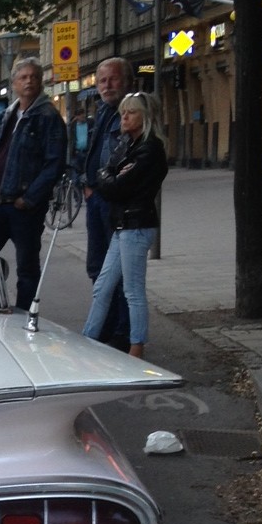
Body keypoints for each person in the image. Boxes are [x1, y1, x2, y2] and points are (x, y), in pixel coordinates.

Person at [82, 91, 168, 359]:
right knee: (103, 286)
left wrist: (110, 177)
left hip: (137, 224)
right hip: (124, 223)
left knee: (132, 290)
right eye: (122, 112)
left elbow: (116, 185)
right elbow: (105, 173)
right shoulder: (128, 145)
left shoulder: (149, 149)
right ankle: (87, 340)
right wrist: (110, 176)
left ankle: (136, 347)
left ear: (146, 117)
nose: (124, 117)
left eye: (131, 112)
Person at [0, 57, 66, 310]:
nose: (29, 81)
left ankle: (25, 316)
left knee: (27, 267)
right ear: (14, 83)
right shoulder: (6, 115)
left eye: (34, 77)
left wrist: (29, 198)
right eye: (23, 77)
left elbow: (55, 164)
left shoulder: (47, 116)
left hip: (22, 207)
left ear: (40, 82)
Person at [80, 57, 131, 345]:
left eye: (113, 79)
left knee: (119, 270)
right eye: (102, 80)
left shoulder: (130, 112)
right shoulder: (102, 112)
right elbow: (90, 152)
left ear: (126, 81)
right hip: (96, 198)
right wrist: (86, 184)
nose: (107, 85)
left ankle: (121, 333)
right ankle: (107, 326)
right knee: (97, 266)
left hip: (115, 201)